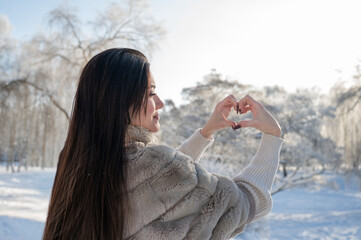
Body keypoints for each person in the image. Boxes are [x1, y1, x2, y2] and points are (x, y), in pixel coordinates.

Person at [43, 48, 284, 240]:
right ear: (119, 101)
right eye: (150, 93)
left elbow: (153, 190)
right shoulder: (156, 167)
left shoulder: (77, 162)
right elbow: (242, 206)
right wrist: (272, 136)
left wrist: (206, 133)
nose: (160, 102)